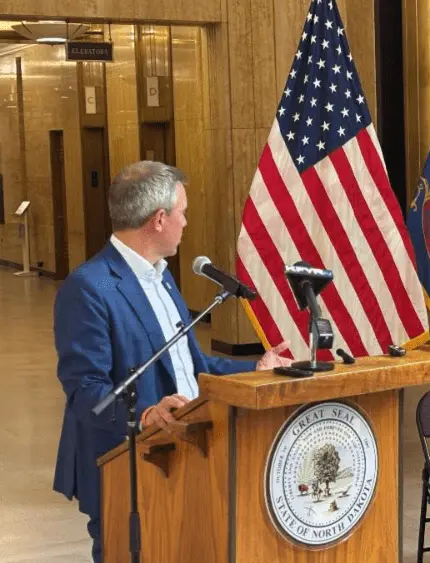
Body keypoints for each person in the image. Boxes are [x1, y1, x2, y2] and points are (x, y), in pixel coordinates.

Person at [52, 161, 292, 562]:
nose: (186, 221)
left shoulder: (162, 276)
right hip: (126, 462)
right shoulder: (91, 286)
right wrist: (146, 415)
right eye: (182, 212)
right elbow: (85, 391)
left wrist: (254, 369)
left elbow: (188, 363)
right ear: (159, 219)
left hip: (181, 452)